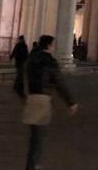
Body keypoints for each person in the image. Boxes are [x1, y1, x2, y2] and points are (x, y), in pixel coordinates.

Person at [24, 35, 78, 170]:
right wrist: (71, 102)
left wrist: (24, 96)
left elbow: (19, 81)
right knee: (39, 136)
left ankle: (32, 164)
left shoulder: (30, 60)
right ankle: (33, 165)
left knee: (35, 135)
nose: (54, 47)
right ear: (48, 46)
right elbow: (59, 83)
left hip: (31, 97)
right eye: (53, 45)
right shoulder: (50, 61)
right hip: (43, 99)